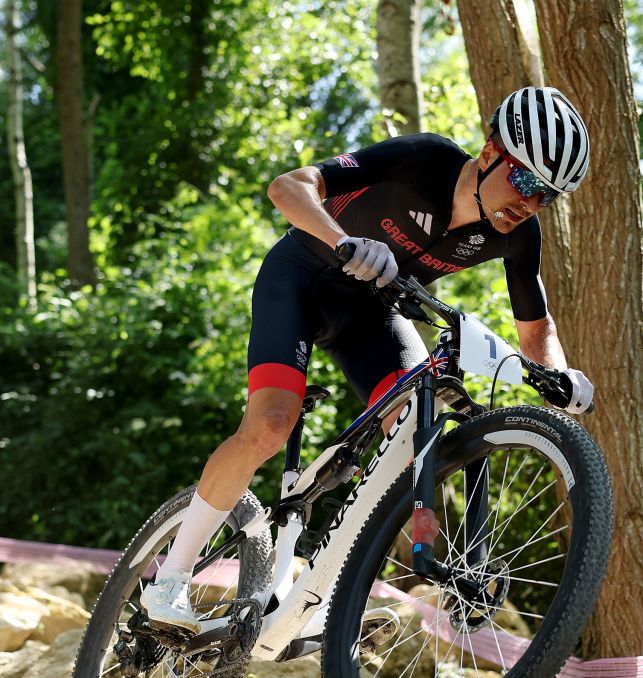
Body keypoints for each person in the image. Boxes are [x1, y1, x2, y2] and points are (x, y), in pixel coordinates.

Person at [141, 86, 596, 634]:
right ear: (490, 151)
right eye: (525, 180)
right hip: (303, 281)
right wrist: (342, 242)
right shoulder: (424, 159)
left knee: (419, 439)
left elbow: (535, 326)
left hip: (374, 316)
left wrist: (558, 375)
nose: (529, 202)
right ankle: (170, 577)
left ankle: (326, 591)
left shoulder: (519, 235)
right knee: (269, 425)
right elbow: (288, 187)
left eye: (547, 196)